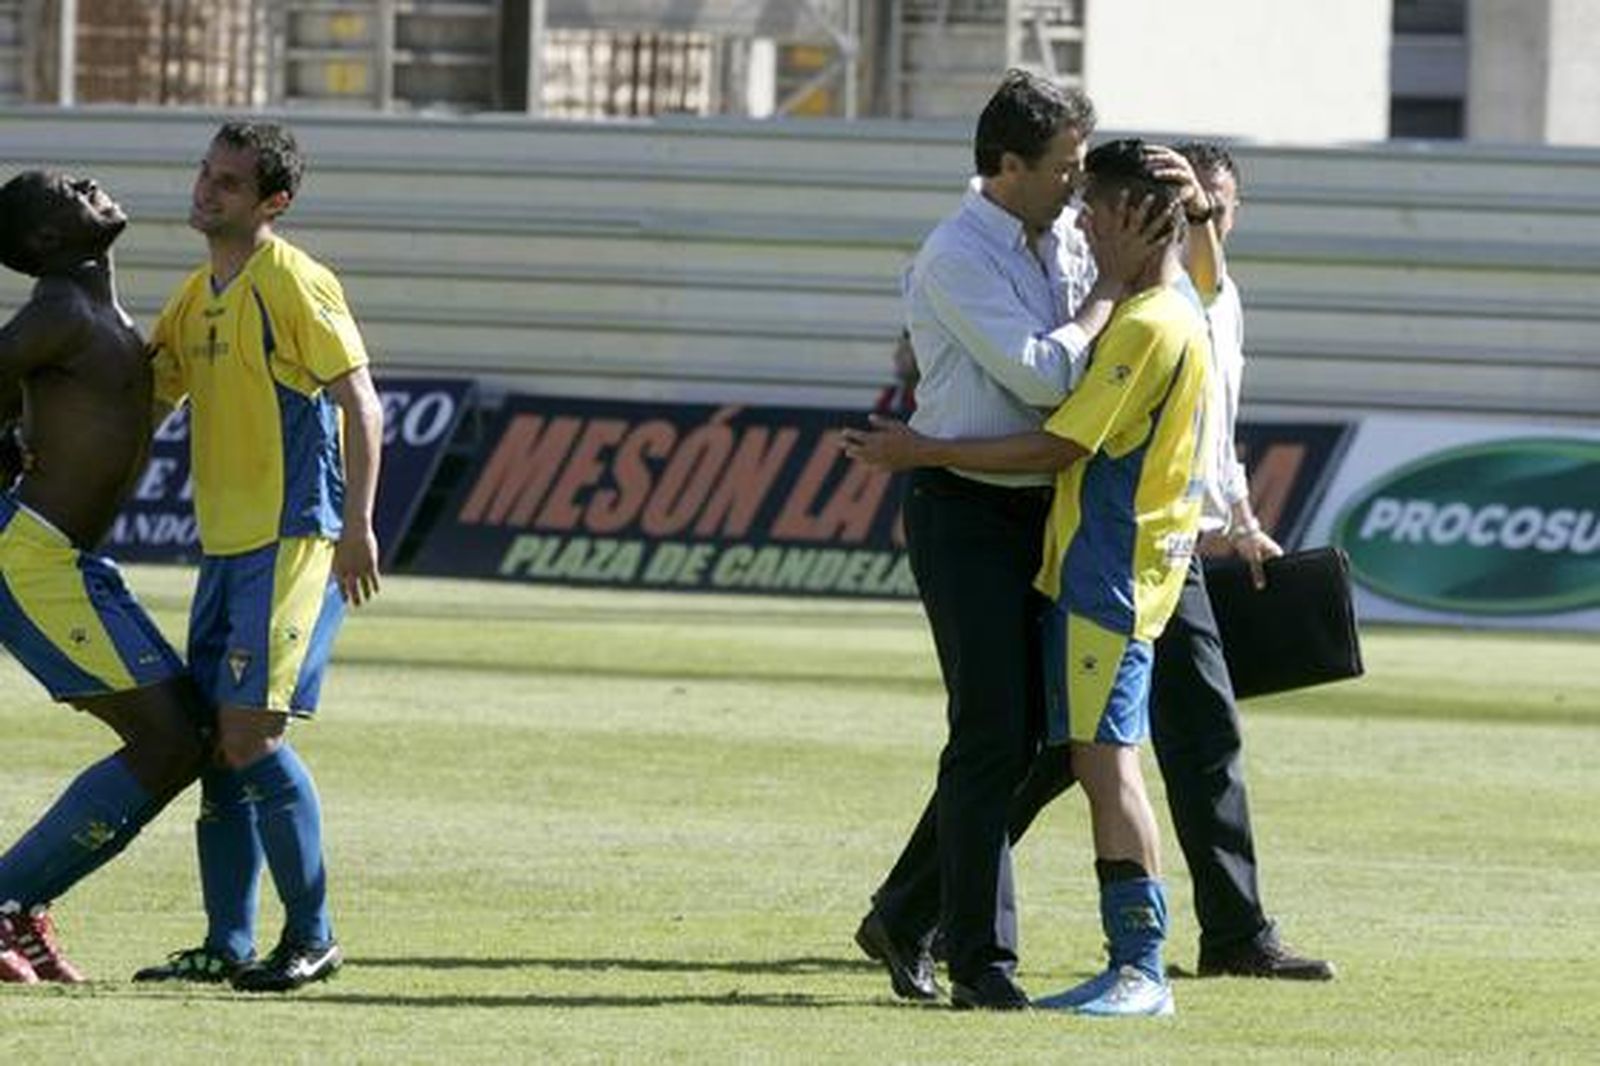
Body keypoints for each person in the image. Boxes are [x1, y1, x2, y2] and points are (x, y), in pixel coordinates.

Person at [844, 70, 1199, 1011]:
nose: (1081, 188)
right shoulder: (956, 255)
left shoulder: (1065, 240)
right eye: (1065, 168)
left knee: (1051, 746)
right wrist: (1111, 291)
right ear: (1006, 167)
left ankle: (903, 909)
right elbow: (1048, 378)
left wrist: (1187, 210)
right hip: (963, 506)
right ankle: (981, 964)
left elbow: (1160, 295)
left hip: (1047, 511)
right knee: (992, 735)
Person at [130, 121, 384, 993]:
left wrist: (358, 526)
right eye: (205, 173)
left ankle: (312, 936)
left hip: (293, 539)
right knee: (217, 744)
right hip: (225, 546)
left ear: (273, 202)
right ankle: (227, 941)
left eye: (229, 183)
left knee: (250, 732)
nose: (206, 190)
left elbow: (363, 405)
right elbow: (142, 397)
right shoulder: (196, 295)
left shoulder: (293, 281)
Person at [0, 171, 210, 983]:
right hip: (36, 562)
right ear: (47, 244)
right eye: (63, 192)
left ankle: (17, 909)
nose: (86, 182)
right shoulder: (59, 310)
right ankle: (9, 901)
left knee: (182, 736)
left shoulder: (95, 314)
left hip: (72, 563)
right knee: (167, 741)